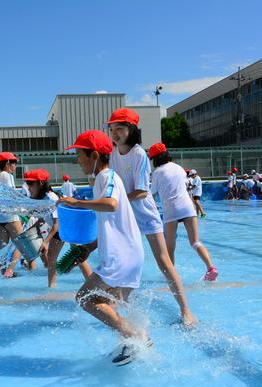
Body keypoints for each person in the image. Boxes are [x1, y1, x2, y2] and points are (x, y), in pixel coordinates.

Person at [57, 129, 150, 365]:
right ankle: (132, 343)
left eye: (80, 155)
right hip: (130, 254)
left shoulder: (105, 177)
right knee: (107, 305)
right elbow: (111, 220)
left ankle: (136, 337)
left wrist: (75, 202)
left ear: (95, 155)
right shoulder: (107, 178)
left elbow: (110, 204)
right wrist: (90, 247)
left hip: (121, 257)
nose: (78, 161)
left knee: (85, 298)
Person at [107, 108, 203, 324]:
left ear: (131, 130)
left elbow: (142, 191)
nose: (114, 133)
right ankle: (123, 308)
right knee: (121, 262)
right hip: (126, 217)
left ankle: (186, 309)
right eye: (112, 129)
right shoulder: (113, 154)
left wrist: (116, 201)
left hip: (146, 215)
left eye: (119, 128)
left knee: (164, 262)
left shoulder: (139, 154)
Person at [148, 143, 218, 280]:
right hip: (187, 207)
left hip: (171, 210)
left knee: (170, 247)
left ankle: (170, 275)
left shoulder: (157, 173)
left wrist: (154, 206)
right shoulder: (179, 168)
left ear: (155, 159)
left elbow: (151, 195)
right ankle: (211, 268)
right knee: (195, 242)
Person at [25, 169, 91, 288]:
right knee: (56, 257)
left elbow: (56, 225)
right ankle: (52, 286)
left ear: (40, 183)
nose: (28, 187)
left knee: (75, 256)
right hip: (64, 228)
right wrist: (34, 227)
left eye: (30, 183)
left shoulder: (51, 198)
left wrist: (45, 242)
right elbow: (46, 217)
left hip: (68, 228)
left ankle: (91, 282)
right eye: (27, 183)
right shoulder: (44, 198)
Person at [0, 151, 24, 277]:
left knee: (3, 246)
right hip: (10, 215)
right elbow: (12, 195)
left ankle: (3, 271)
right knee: (22, 243)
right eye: (14, 163)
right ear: (8, 163)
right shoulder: (6, 175)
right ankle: (10, 271)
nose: (15, 166)